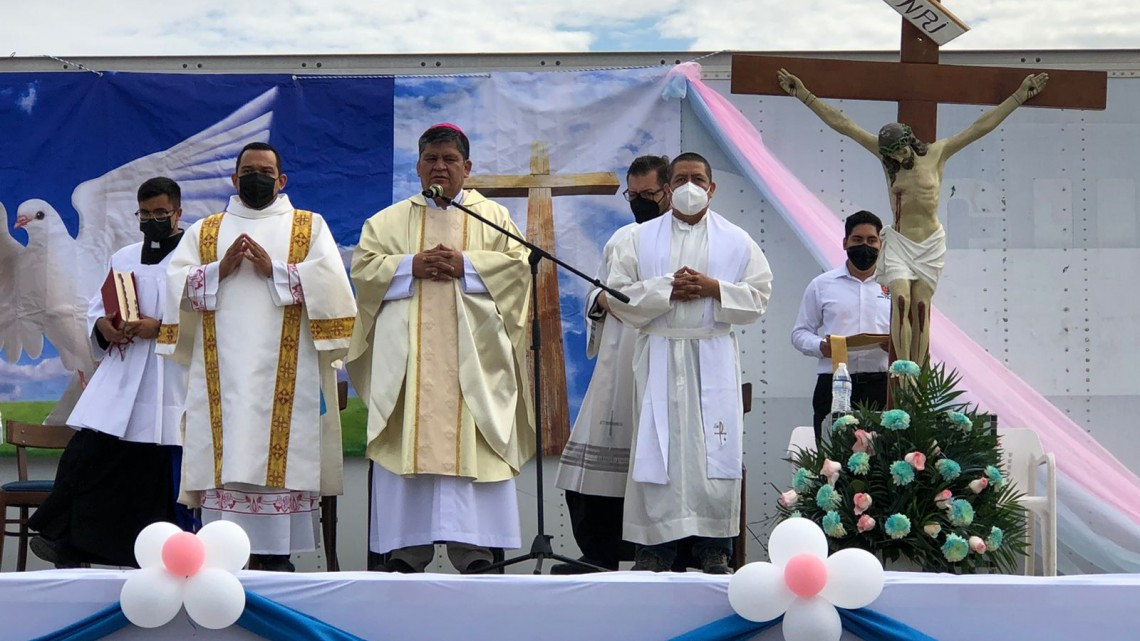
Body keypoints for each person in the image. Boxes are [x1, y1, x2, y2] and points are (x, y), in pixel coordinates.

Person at [157, 143, 356, 572]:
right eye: (248, 170)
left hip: (288, 377)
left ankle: (276, 560)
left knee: (277, 455)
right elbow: (173, 288)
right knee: (226, 450)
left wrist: (278, 272)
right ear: (234, 178)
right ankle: (224, 559)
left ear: (281, 180)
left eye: (265, 171)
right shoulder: (206, 232)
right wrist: (217, 272)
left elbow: (334, 287)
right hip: (222, 378)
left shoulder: (308, 227)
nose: (256, 177)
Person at [346, 124, 534, 574]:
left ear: (467, 168)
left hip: (474, 367)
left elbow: (518, 269)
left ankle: (475, 551)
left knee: (473, 445)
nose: (440, 167)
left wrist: (465, 264)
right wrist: (409, 264)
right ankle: (407, 551)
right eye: (431, 158)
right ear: (418, 166)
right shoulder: (388, 221)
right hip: (410, 371)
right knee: (409, 444)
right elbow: (364, 272)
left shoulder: (494, 219)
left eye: (450, 159)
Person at [776, 68, 1048, 365]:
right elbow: (845, 125)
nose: (895, 158)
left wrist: (1018, 97)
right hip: (901, 243)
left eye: (899, 151)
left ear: (910, 140)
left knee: (920, 307)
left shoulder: (937, 153)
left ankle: (917, 374)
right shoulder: (886, 159)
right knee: (901, 301)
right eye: (890, 154)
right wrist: (804, 95)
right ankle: (900, 370)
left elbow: (979, 127)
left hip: (930, 242)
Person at [606, 152, 773, 574]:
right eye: (680, 179)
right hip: (660, 352)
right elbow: (616, 295)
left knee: (713, 451)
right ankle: (654, 546)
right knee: (657, 448)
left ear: (712, 187)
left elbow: (759, 298)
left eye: (698, 178)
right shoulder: (638, 239)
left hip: (711, 354)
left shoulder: (737, 240)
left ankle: (713, 544)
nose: (689, 186)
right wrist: (667, 290)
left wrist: (714, 288)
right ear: (667, 188)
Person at [29, 177, 190, 568]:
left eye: (160, 214)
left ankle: (154, 557)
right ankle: (67, 541)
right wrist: (103, 326)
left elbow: (208, 316)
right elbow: (97, 306)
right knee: (86, 457)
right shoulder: (125, 256)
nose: (152, 221)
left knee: (153, 474)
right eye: (145, 214)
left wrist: (162, 328)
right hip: (123, 374)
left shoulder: (194, 259)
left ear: (178, 213)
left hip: (168, 377)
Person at [552, 155, 670, 574]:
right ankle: (598, 552)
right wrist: (600, 301)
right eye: (632, 195)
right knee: (594, 459)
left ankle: (656, 552)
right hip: (618, 357)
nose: (638, 202)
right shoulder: (622, 237)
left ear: (669, 191)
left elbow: (667, 296)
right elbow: (600, 292)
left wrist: (628, 301)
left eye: (647, 195)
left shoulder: (684, 241)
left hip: (662, 354)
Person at [790, 210, 891, 443]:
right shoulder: (822, 285)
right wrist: (821, 346)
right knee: (831, 462)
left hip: (882, 385)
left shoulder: (893, 286)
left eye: (871, 240)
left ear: (881, 244)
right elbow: (799, 333)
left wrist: (896, 346)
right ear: (845, 243)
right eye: (857, 240)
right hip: (834, 384)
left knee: (880, 466)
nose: (864, 246)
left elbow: (911, 333)